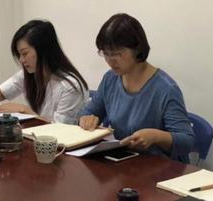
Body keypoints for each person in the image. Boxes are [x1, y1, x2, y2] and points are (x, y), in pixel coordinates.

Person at [79, 13, 194, 161]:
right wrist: (86, 119)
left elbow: (187, 141)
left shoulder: (166, 89)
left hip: (159, 166)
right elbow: (89, 111)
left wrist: (156, 136)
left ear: (137, 49)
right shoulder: (110, 79)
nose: (110, 61)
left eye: (117, 54)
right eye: (106, 53)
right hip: (124, 161)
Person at [0, 20, 88, 123]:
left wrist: (24, 110)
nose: (21, 60)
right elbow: (0, 92)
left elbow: (60, 129)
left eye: (25, 53)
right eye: (19, 55)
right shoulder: (30, 74)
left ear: (43, 50)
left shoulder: (70, 86)